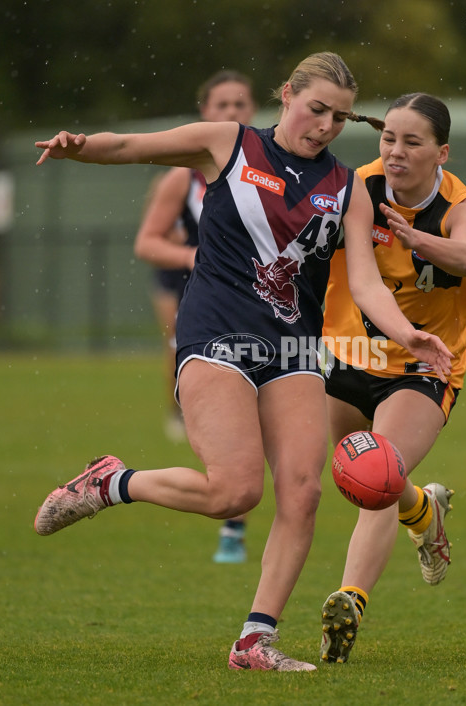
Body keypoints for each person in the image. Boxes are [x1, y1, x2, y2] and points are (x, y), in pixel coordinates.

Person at [33, 54, 453, 672]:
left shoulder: (346, 189)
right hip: (216, 340)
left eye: (339, 118)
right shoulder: (228, 144)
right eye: (316, 109)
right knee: (234, 492)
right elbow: (133, 146)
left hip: (292, 352)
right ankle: (110, 483)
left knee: (304, 493)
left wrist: (408, 333)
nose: (326, 126)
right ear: (286, 95)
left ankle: (254, 641)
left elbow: (364, 283)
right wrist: (80, 145)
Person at [318, 92, 466, 664]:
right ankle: (424, 511)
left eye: (412, 142)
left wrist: (418, 240)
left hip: (422, 367)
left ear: (441, 151)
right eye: (388, 137)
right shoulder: (356, 187)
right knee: (354, 478)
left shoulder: (462, 206)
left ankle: (349, 601)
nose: (395, 151)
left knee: (378, 473)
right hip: (346, 355)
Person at [133, 70, 256, 564]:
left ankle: (234, 524)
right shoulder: (180, 176)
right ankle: (180, 418)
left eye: (241, 104)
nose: (232, 113)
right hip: (195, 292)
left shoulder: (269, 169)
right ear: (204, 111)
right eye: (222, 105)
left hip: (256, 301)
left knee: (262, 404)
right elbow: (147, 242)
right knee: (191, 373)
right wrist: (192, 258)